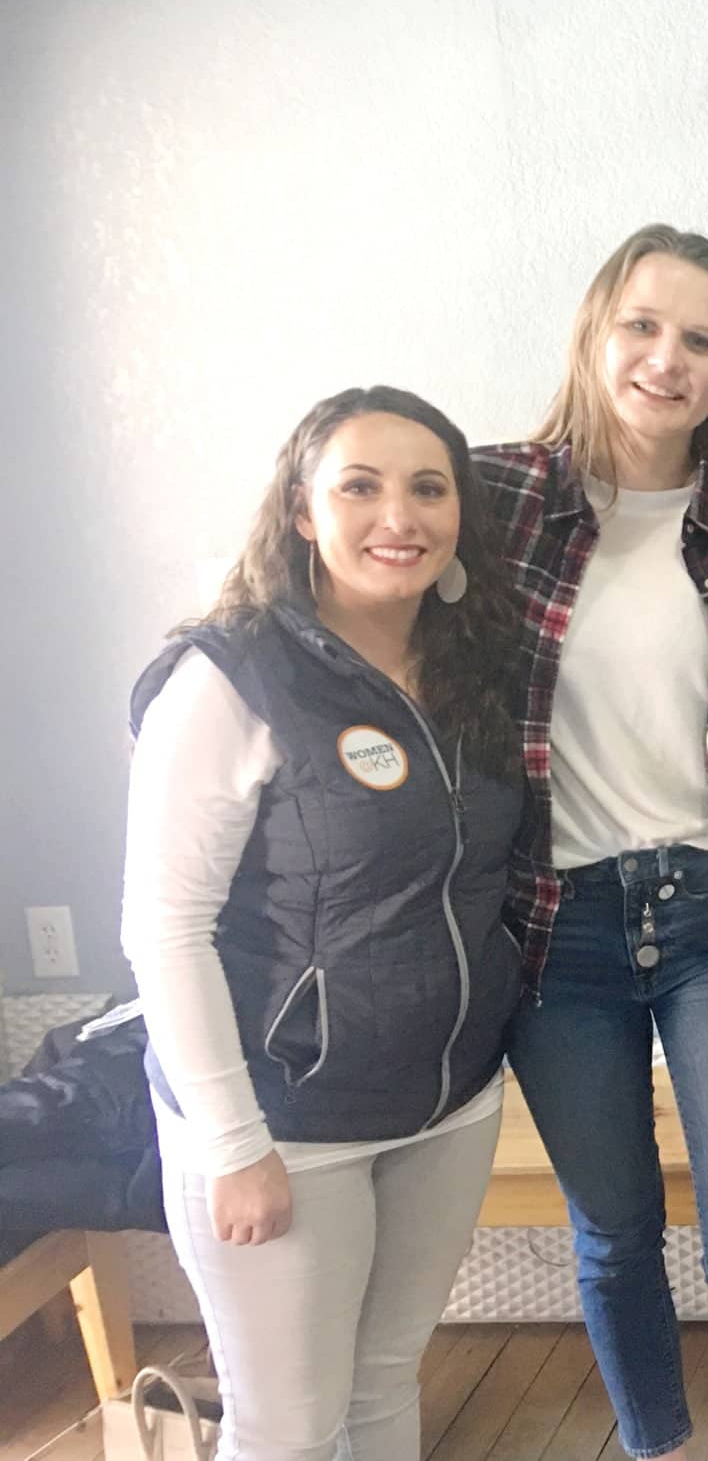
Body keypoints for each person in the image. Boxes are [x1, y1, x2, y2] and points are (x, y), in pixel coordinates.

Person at [121, 386, 524, 1461]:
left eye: (428, 488)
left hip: (447, 1104)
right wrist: (232, 1145)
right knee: (289, 1429)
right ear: (302, 511)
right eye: (360, 487)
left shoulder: (473, 668)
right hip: (286, 1119)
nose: (400, 516)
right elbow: (165, 928)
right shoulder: (230, 678)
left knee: (386, 1381)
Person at [473, 225, 708, 1461]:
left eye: (699, 341)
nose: (666, 359)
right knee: (615, 1232)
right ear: (593, 333)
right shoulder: (487, 499)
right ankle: (657, 1446)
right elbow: (350, 604)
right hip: (553, 926)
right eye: (642, 326)